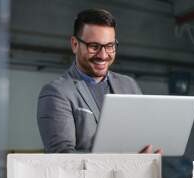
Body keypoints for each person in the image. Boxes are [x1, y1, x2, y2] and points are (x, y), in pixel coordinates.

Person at [37, 8, 162, 154]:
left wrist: (148, 154)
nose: (103, 55)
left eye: (110, 46)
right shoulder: (56, 92)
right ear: (75, 44)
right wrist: (125, 160)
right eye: (94, 47)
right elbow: (63, 159)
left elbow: (141, 137)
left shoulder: (129, 85)